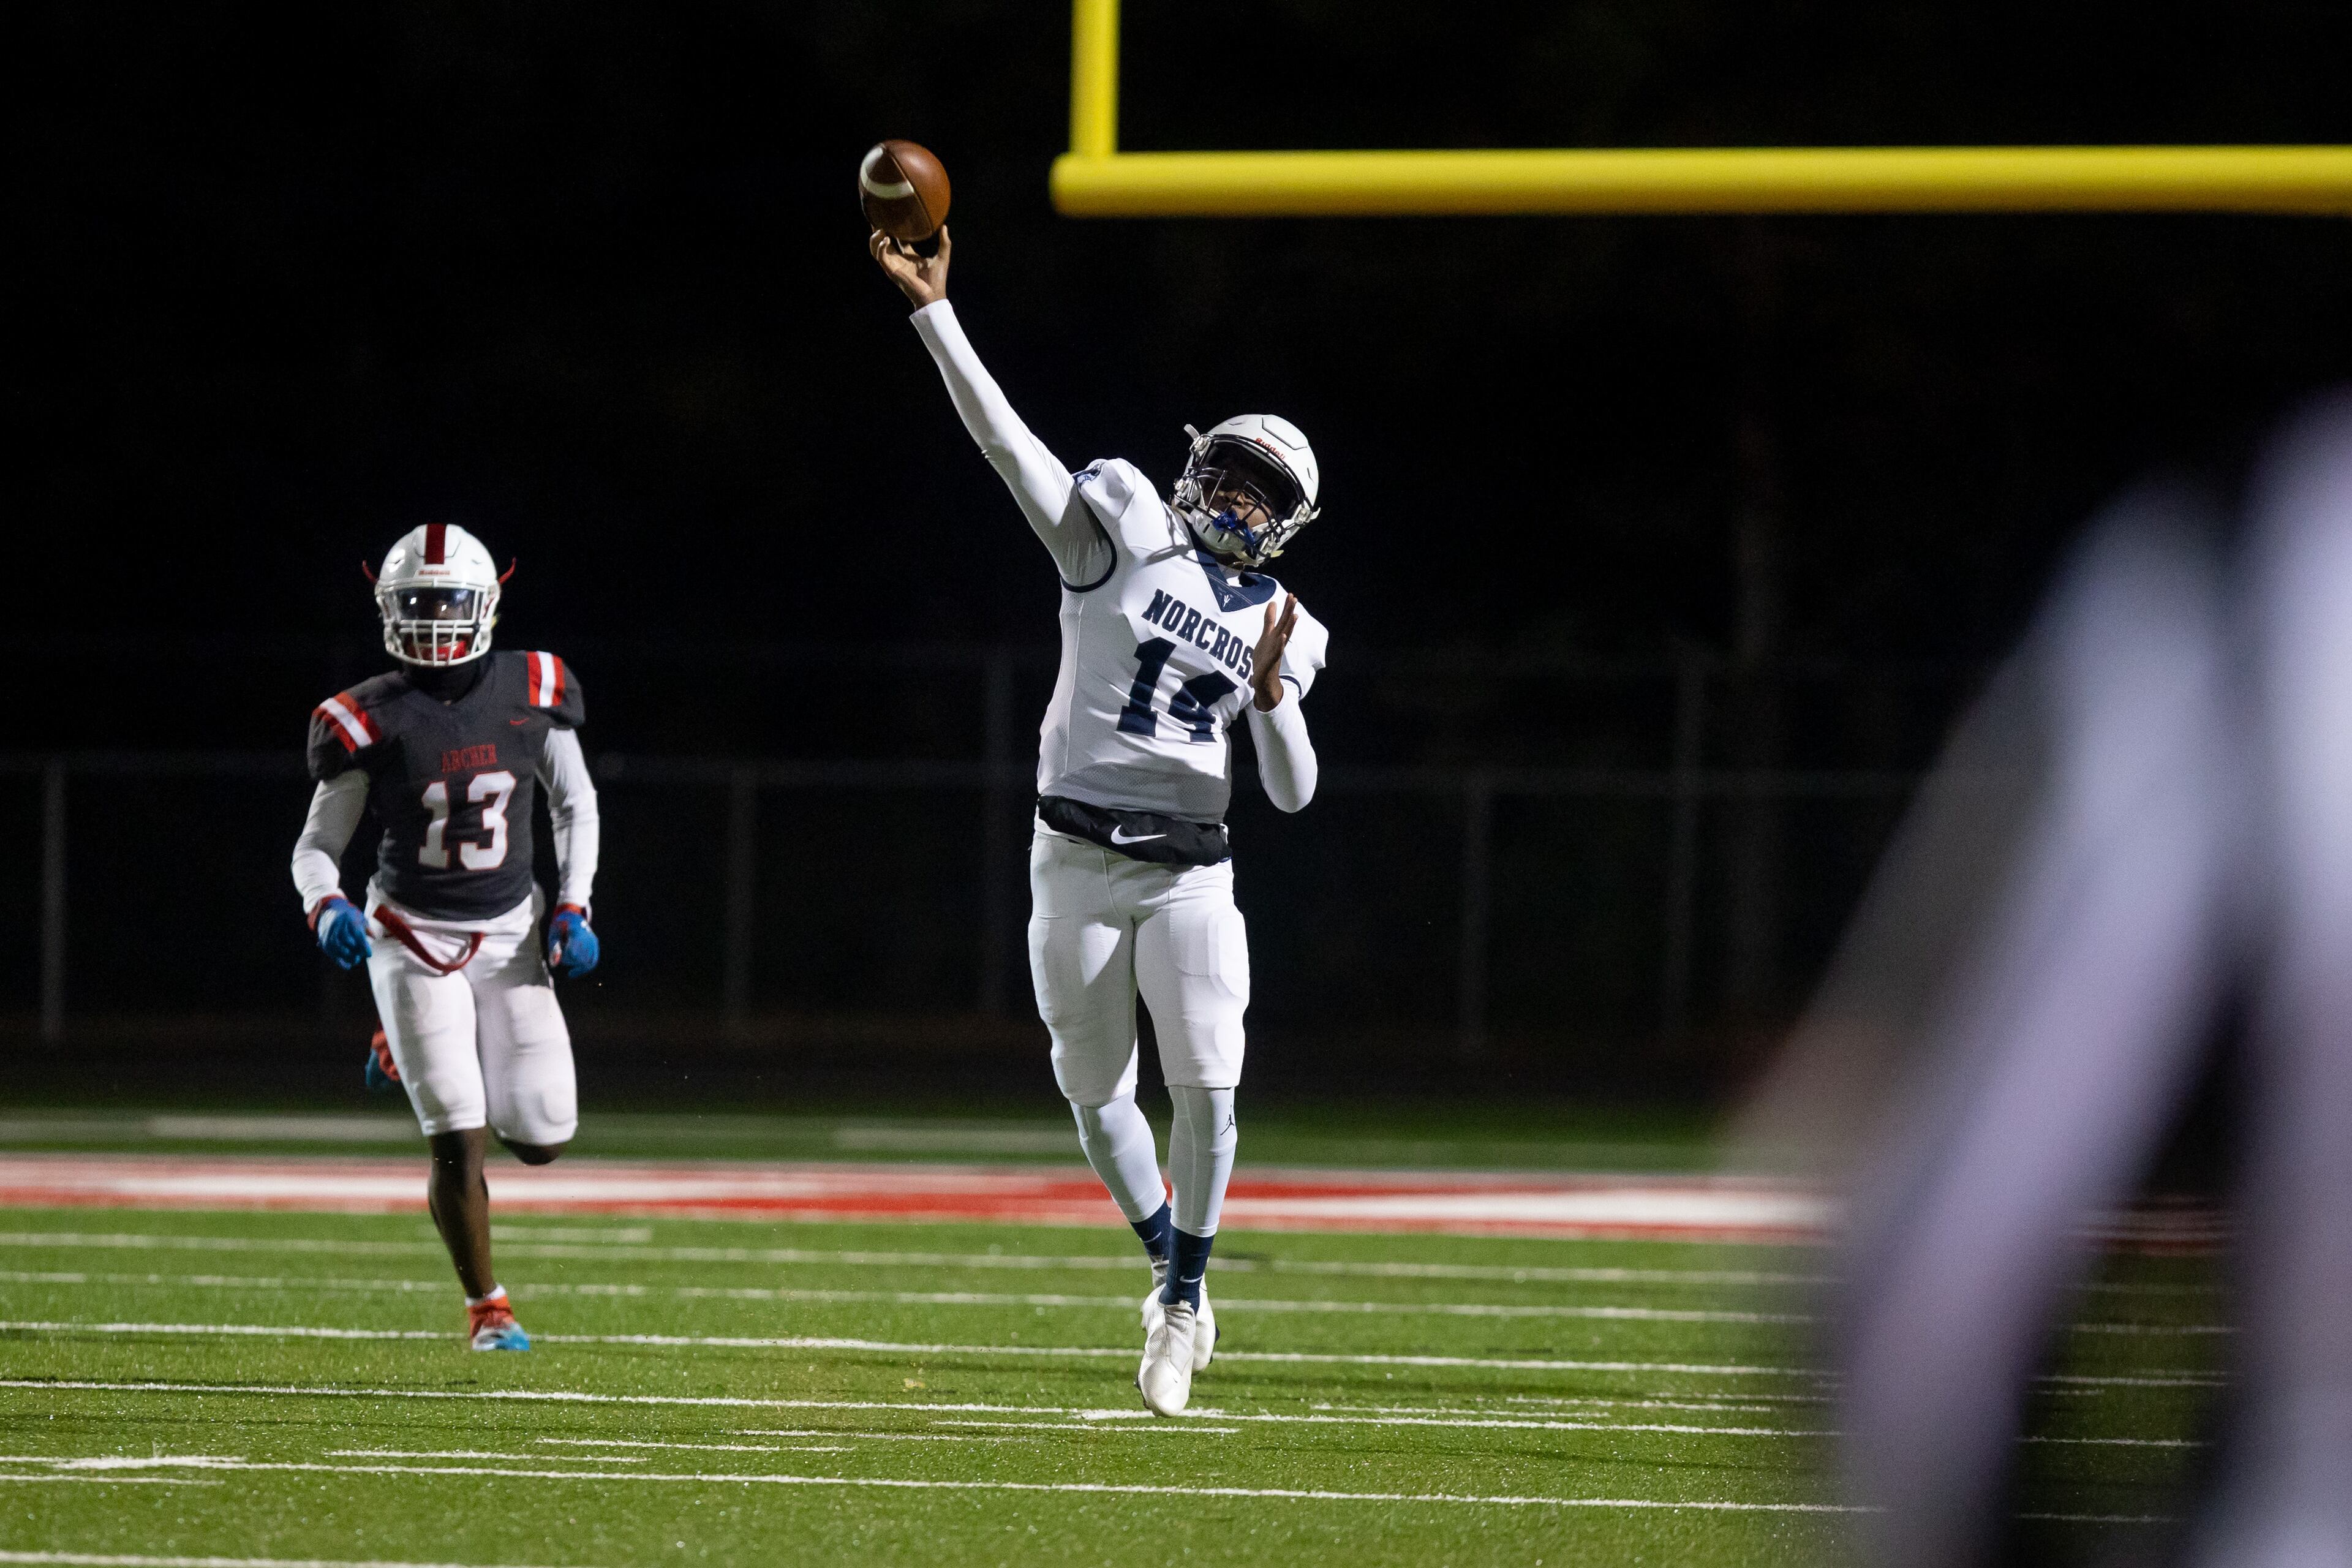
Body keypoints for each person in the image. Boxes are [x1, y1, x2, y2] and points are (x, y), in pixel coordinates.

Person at [872, 225, 1329, 1415]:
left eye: (1262, 493)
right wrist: (935, 312)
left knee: (1213, 1084)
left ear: (1289, 520)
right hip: (1072, 855)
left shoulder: (1293, 622)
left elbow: (1290, 790)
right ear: (1196, 471)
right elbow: (1005, 442)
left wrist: (1273, 693)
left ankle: (1182, 1300)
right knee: (1093, 1090)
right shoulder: (1122, 529)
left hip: (1189, 872)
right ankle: (1164, 1264)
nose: (1236, 497)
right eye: (1228, 474)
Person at [290, 522, 602, 1351]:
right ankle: (488, 1308)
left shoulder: (534, 685)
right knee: (458, 1133)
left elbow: (574, 803)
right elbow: (316, 848)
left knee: (540, 1136)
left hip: (511, 936)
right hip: (413, 935)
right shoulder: (366, 717)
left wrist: (576, 905)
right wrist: (327, 907)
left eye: (447, 602)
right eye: (417, 603)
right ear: (389, 607)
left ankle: (406, 1045)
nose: (432, 618)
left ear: (488, 601)